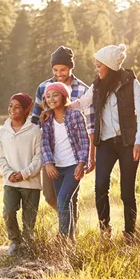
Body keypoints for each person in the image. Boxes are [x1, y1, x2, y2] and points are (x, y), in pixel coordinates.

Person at [69, 44, 140, 239]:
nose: (96, 69)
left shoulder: (132, 84)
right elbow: (81, 104)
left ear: (110, 66)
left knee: (127, 192)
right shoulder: (97, 86)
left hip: (128, 143)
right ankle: (105, 231)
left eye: (99, 66)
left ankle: (130, 233)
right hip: (105, 143)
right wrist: (59, 107)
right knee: (100, 187)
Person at [31, 46, 95, 231]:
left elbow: (89, 127)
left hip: (74, 156)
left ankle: (67, 238)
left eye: (63, 70)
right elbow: (36, 121)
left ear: (71, 68)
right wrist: (40, 156)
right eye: (55, 70)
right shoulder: (43, 88)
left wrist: (89, 158)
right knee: (51, 196)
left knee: (68, 197)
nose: (59, 74)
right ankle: (69, 225)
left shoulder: (83, 89)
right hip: (52, 155)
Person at [40, 82, 90, 240]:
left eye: (55, 95)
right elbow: (45, 143)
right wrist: (48, 163)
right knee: (64, 202)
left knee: (63, 199)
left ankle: (62, 239)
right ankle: (71, 239)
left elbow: (84, 142)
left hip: (73, 167)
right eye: (48, 96)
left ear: (64, 97)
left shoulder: (75, 116)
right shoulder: (47, 119)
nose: (51, 99)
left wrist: (81, 164)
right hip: (57, 168)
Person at [0, 92, 42, 255]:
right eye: (10, 106)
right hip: (10, 182)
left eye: (17, 107)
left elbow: (39, 158)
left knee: (29, 218)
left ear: (26, 111)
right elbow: (0, 157)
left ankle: (28, 245)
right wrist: (9, 174)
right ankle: (15, 242)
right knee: (8, 211)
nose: (13, 110)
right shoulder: (3, 132)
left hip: (31, 183)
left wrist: (24, 174)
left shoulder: (36, 131)